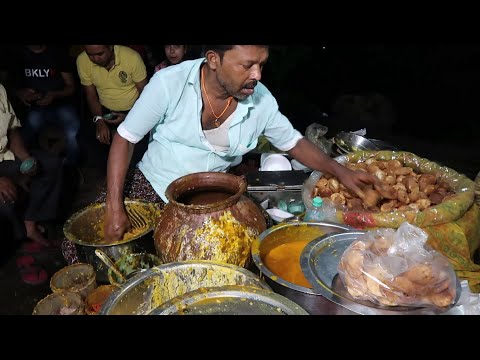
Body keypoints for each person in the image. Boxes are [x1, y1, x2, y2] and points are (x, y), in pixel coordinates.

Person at [100, 45, 378, 243]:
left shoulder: (261, 101)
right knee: (98, 248)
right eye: (247, 65)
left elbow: (293, 143)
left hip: (214, 198)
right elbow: (125, 138)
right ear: (213, 59)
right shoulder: (168, 84)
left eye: (262, 64)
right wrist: (115, 206)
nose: (257, 75)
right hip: (154, 187)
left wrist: (341, 171)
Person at [0, 83, 64, 250]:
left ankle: (31, 223)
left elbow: (12, 130)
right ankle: (17, 241)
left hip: (5, 156)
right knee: (6, 198)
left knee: (50, 163)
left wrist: (26, 157)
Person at [9, 45, 81, 167]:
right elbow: (9, 88)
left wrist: (54, 95)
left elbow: (71, 88)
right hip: (34, 108)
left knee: (73, 132)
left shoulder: (58, 54)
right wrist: (21, 94)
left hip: (60, 105)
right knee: (23, 135)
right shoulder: (19, 56)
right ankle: (27, 169)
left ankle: (71, 167)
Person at [76, 45, 149, 164]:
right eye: (90, 54)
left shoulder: (131, 58)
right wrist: (99, 121)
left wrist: (129, 118)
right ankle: (108, 175)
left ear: (110, 47)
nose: (95, 59)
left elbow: (145, 94)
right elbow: (91, 95)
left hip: (134, 109)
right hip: (104, 110)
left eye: (100, 54)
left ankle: (129, 176)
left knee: (138, 146)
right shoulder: (82, 60)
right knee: (86, 138)